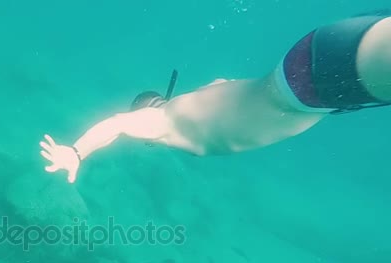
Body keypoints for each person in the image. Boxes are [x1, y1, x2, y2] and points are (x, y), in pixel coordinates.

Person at [39, 12, 391, 183]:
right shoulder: (202, 94)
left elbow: (116, 124)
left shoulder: (163, 122)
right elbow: (224, 87)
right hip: (321, 74)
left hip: (313, 80)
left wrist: (77, 151)